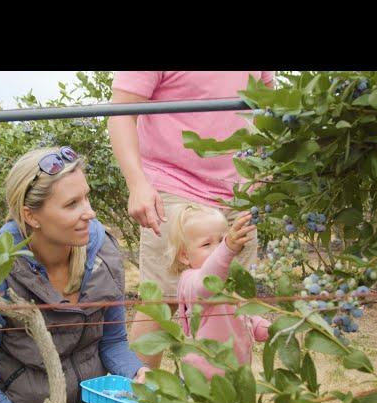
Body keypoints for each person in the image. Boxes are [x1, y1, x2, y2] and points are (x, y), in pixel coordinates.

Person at [108, 71, 275, 369]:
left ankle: (224, 396)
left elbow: (266, 107)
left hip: (239, 193)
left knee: (230, 302)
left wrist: (265, 167)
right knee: (161, 301)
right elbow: (120, 112)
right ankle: (135, 397)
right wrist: (137, 184)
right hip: (174, 186)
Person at [0, 146, 148, 403]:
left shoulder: (103, 254)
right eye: (72, 204)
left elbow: (113, 341)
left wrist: (137, 372)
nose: (90, 212)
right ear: (31, 216)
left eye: (87, 198)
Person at [166, 203, 270, 379]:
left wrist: (267, 328)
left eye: (221, 240)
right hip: (203, 381)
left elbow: (242, 314)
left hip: (236, 376)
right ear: (184, 255)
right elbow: (207, 282)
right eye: (206, 244)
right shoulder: (190, 281)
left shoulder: (229, 280)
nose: (217, 250)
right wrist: (227, 248)